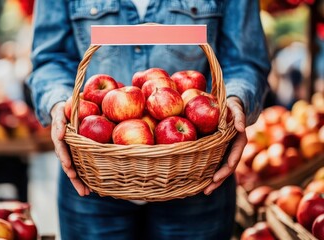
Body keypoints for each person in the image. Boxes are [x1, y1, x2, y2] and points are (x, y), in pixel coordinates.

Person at [27, 0, 271, 239]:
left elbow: (245, 60)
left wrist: (236, 101)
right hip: (93, 172)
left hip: (194, 170)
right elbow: (50, 58)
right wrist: (60, 104)